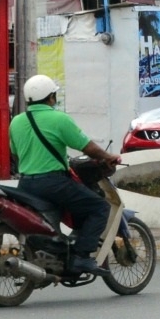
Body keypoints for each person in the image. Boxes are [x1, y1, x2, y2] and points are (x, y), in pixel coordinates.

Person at [9, 75, 121, 275]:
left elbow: (16, 153)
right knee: (99, 207)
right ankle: (81, 257)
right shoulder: (59, 119)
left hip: (25, 185)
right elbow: (88, 147)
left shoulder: (16, 122)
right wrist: (108, 156)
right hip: (54, 184)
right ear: (50, 97)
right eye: (54, 95)